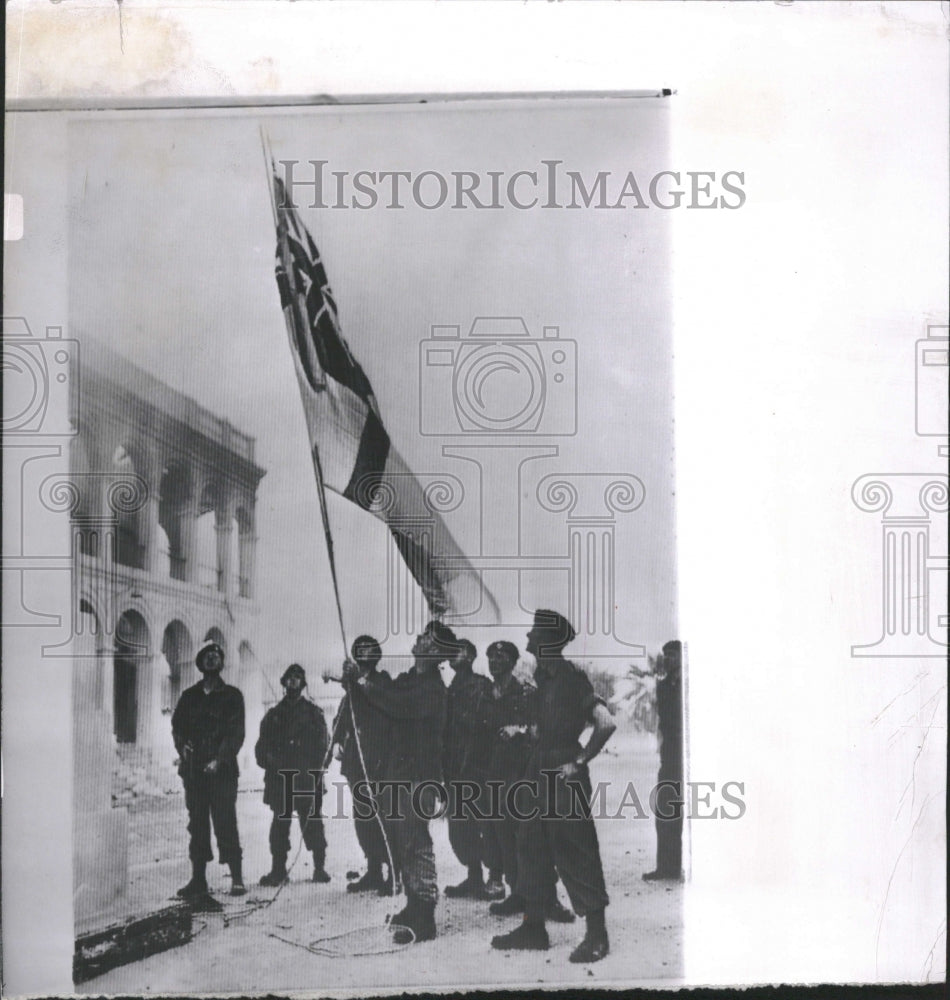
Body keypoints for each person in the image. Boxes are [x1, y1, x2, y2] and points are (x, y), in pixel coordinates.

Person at [491, 610, 616, 963]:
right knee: (530, 844)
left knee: (576, 848)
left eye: (532, 635)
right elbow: (546, 725)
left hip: (563, 772)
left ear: (545, 641)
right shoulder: (543, 678)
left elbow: (605, 724)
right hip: (539, 766)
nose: (527, 639)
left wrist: (579, 762)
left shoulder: (572, 678)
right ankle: (533, 928)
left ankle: (597, 934)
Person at [343, 620, 453, 945]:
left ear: (433, 651)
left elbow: (396, 705)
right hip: (396, 773)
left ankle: (425, 916)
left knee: (415, 843)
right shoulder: (408, 679)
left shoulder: (432, 689)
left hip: (418, 777)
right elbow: (382, 697)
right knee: (400, 839)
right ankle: (412, 905)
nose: (418, 640)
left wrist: (363, 681)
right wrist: (356, 681)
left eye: (425, 638)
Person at [171, 641, 246, 911]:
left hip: (222, 772)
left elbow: (236, 733)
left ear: (221, 662)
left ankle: (236, 877)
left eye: (216, 656)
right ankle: (198, 880)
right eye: (207, 656)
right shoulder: (189, 696)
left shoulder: (233, 696)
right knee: (198, 824)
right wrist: (183, 746)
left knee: (225, 820)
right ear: (200, 663)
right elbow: (177, 726)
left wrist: (220, 759)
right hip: (194, 771)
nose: (212, 659)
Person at [331, 635, 396, 895]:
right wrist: (337, 741)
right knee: (364, 819)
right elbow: (343, 716)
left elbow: (380, 707)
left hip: (379, 760)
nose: (364, 653)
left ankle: (394, 873)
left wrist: (356, 681)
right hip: (356, 763)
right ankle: (373, 871)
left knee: (385, 819)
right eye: (360, 649)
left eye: (369, 649)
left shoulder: (383, 683)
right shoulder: (351, 688)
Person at [255, 663, 331, 886]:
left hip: (306, 778)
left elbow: (323, 746)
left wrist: (312, 767)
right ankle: (278, 870)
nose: (293, 681)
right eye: (289, 677)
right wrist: (269, 759)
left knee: (313, 823)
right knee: (280, 825)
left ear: (303, 683)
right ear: (283, 682)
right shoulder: (273, 715)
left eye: (297, 677)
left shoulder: (314, 714)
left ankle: (319, 868)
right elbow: (260, 748)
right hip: (280, 779)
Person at [443, 639, 504, 900]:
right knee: (460, 827)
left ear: (470, 656)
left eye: (457, 650)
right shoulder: (451, 689)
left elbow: (492, 726)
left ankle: (496, 880)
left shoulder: (482, 686)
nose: (451, 655)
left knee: (486, 825)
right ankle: (474, 876)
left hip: (479, 767)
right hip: (456, 768)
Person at [643, 640, 684, 882]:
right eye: (665, 655)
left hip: (691, 753)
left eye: (673, 655)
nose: (668, 659)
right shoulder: (662, 687)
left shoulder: (692, 684)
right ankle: (667, 868)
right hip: (670, 756)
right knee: (666, 810)